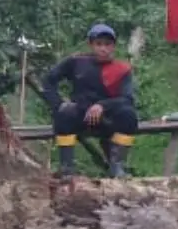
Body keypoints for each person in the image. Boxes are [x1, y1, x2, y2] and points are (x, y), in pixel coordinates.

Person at [41, 23, 139, 179]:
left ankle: (117, 167)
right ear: (91, 45)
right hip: (81, 115)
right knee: (64, 113)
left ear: (113, 46)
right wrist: (57, 104)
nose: (103, 49)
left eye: (107, 44)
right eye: (99, 44)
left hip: (108, 118)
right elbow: (48, 80)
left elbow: (127, 99)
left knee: (129, 115)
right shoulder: (76, 62)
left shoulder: (122, 69)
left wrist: (102, 106)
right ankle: (67, 169)